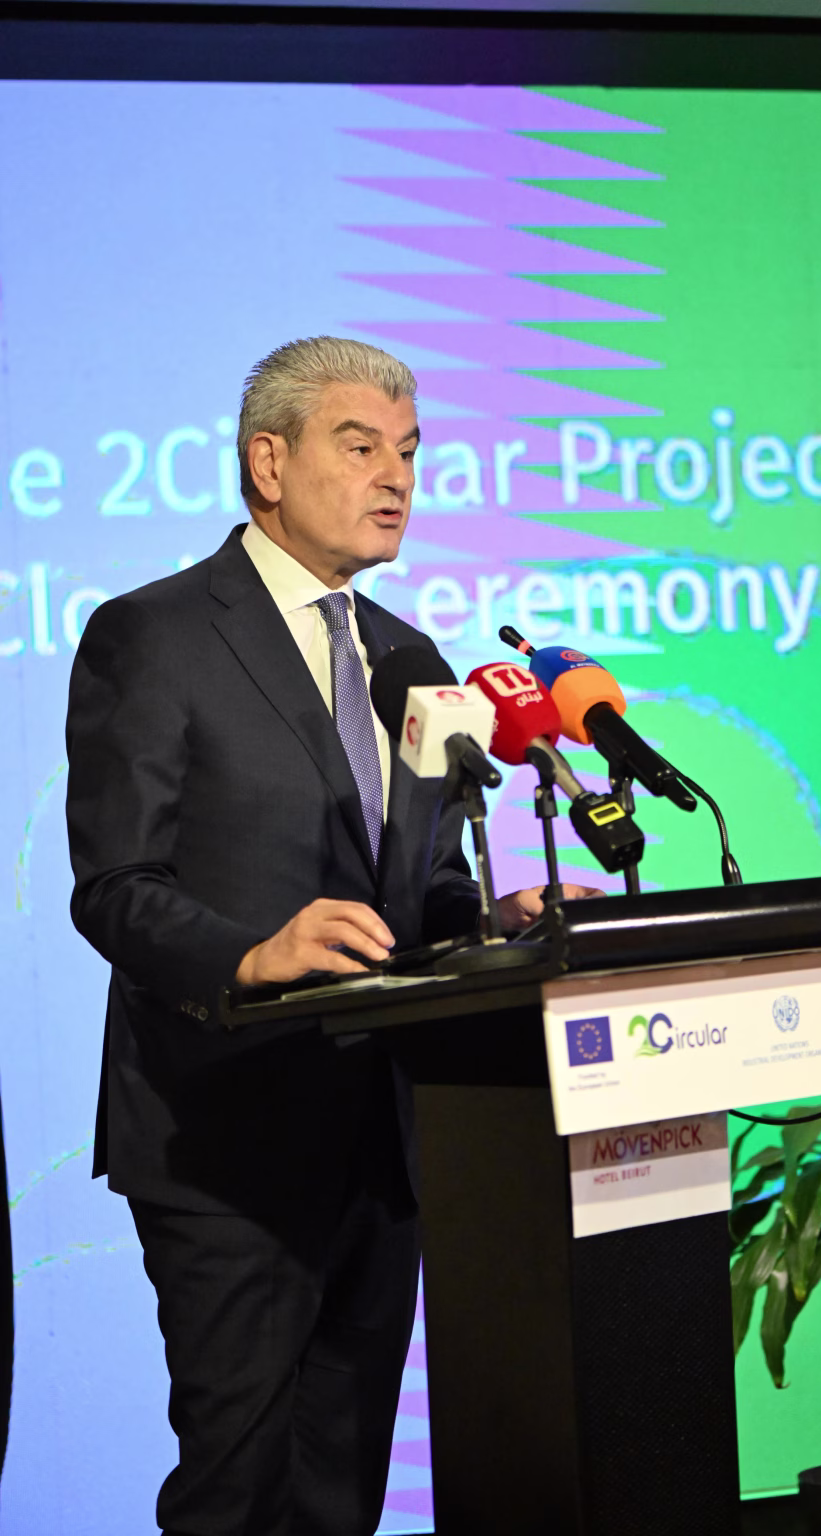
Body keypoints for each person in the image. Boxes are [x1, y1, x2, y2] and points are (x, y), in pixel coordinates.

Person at [65, 337, 598, 1536]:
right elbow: (115, 887)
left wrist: (490, 920)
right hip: (228, 1135)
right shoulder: (154, 634)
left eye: (407, 452)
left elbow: (425, 883)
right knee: (238, 1487)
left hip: (388, 1137)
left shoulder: (407, 655)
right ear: (269, 462)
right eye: (359, 448)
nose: (394, 477)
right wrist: (248, 954)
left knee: (340, 1492)